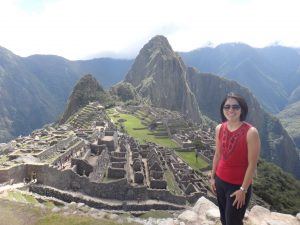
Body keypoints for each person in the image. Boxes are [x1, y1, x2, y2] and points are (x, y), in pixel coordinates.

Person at [210, 92, 260, 225]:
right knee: (224, 219)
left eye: (235, 107)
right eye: (227, 107)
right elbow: (218, 154)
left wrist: (243, 189)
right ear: (223, 109)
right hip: (220, 182)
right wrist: (212, 177)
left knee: (234, 221)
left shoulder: (251, 132)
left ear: (242, 109)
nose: (231, 110)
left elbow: (252, 164)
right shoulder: (219, 128)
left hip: (238, 186)